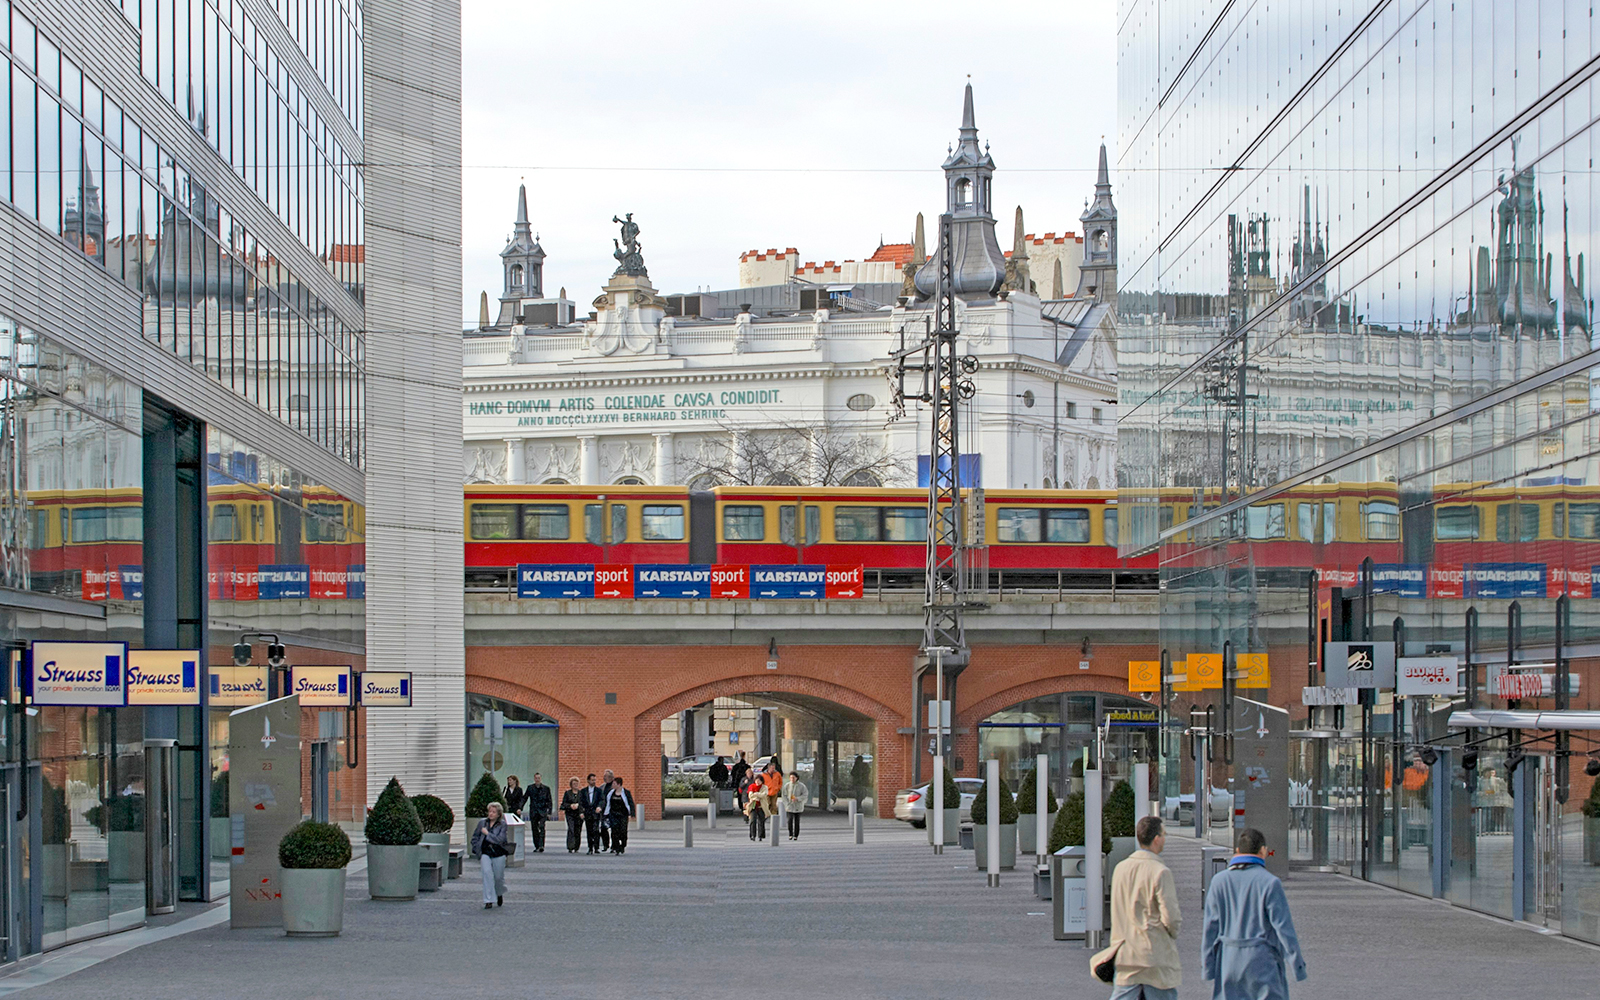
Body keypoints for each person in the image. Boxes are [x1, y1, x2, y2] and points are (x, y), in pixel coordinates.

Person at [1201, 828, 1306, 1000]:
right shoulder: (1270, 883)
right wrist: (1297, 966)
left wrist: (1208, 966)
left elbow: (1210, 928)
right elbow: (1284, 929)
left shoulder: (1219, 882)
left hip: (1229, 960)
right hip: (1262, 960)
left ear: (1237, 851)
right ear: (1263, 851)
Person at [1095, 815, 1181, 1000]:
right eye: (1164, 834)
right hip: (1154, 955)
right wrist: (1172, 933)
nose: (1165, 838)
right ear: (1156, 839)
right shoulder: (1160, 872)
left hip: (1126, 952)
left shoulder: (1121, 868)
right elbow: (1171, 917)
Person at [470, 801, 514, 909]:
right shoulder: (482, 823)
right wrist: (476, 848)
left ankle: (499, 893)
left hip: (498, 853)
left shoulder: (502, 824)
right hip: (485, 852)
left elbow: (500, 840)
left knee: (498, 877)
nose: (491, 814)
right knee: (487, 874)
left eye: (494, 812)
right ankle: (488, 900)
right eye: (490, 811)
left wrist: (488, 834)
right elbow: (475, 837)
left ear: (499, 814)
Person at [603, 776, 634, 855]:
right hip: (613, 814)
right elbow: (607, 803)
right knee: (614, 831)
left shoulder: (626, 793)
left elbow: (630, 803)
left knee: (623, 831)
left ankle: (623, 844)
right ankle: (616, 847)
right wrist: (605, 814)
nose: (612, 785)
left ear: (619, 784)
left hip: (623, 814)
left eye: (614, 783)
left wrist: (632, 813)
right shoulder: (611, 793)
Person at [580, 773, 606, 854]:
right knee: (589, 830)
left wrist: (599, 807)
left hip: (596, 813)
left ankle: (596, 847)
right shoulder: (583, 791)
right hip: (587, 813)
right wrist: (581, 812)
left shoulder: (599, 791)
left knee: (596, 830)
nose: (594, 781)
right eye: (592, 780)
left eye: (595, 780)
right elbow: (580, 802)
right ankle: (590, 847)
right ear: (588, 781)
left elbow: (602, 800)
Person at [526, 773, 553, 853]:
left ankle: (541, 845)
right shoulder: (530, 788)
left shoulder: (546, 789)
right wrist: (520, 807)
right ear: (534, 779)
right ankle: (537, 845)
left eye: (538, 778)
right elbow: (525, 798)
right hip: (534, 811)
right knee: (534, 828)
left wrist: (549, 812)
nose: (537, 779)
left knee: (541, 827)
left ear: (541, 779)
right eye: (536, 778)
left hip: (542, 811)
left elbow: (549, 801)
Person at [560, 777, 584, 853]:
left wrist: (578, 805)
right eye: (574, 784)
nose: (576, 785)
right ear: (571, 785)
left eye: (577, 783)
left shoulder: (581, 793)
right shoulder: (567, 793)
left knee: (578, 830)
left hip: (578, 814)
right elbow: (563, 804)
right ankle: (570, 846)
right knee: (571, 829)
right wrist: (570, 806)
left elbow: (584, 803)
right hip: (570, 814)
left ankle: (577, 846)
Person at [783, 770, 808, 840]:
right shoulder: (787, 785)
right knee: (789, 820)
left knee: (797, 821)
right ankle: (790, 834)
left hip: (798, 806)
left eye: (793, 778)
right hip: (790, 805)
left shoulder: (801, 786)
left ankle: (796, 835)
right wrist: (786, 803)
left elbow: (805, 795)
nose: (792, 779)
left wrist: (798, 799)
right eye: (791, 778)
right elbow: (784, 795)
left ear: (797, 778)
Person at [744, 775, 770, 841]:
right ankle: (752, 835)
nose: (757, 782)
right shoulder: (752, 786)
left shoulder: (764, 787)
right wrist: (758, 795)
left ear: (762, 781)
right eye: (756, 780)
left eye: (759, 780)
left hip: (761, 806)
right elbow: (750, 795)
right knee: (753, 820)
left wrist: (756, 794)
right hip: (753, 805)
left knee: (761, 821)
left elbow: (764, 795)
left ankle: (761, 835)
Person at [598, 769, 616, 852]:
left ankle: (614, 846)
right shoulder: (602, 787)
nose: (605, 778)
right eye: (604, 776)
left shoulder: (615, 787)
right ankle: (606, 844)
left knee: (614, 829)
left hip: (612, 810)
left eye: (608, 776)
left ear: (612, 777)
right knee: (603, 828)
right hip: (603, 811)